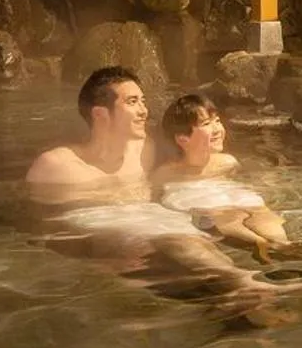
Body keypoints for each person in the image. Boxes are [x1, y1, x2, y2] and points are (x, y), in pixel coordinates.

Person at [26, 67, 277, 301]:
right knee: (170, 234)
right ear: (100, 114)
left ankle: (241, 289)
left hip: (153, 226)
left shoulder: (146, 150)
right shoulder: (57, 166)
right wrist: (94, 262)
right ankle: (242, 282)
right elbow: (40, 228)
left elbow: (187, 166)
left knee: (190, 230)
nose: (144, 110)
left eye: (143, 101)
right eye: (132, 102)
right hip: (106, 237)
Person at [153, 93, 301, 262]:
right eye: (207, 123)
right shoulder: (167, 173)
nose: (217, 129)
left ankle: (282, 242)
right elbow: (154, 196)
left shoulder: (227, 162)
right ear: (182, 138)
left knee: (259, 209)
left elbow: (244, 180)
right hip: (198, 199)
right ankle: (259, 241)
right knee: (226, 215)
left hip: (226, 191)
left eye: (217, 121)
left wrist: (266, 183)